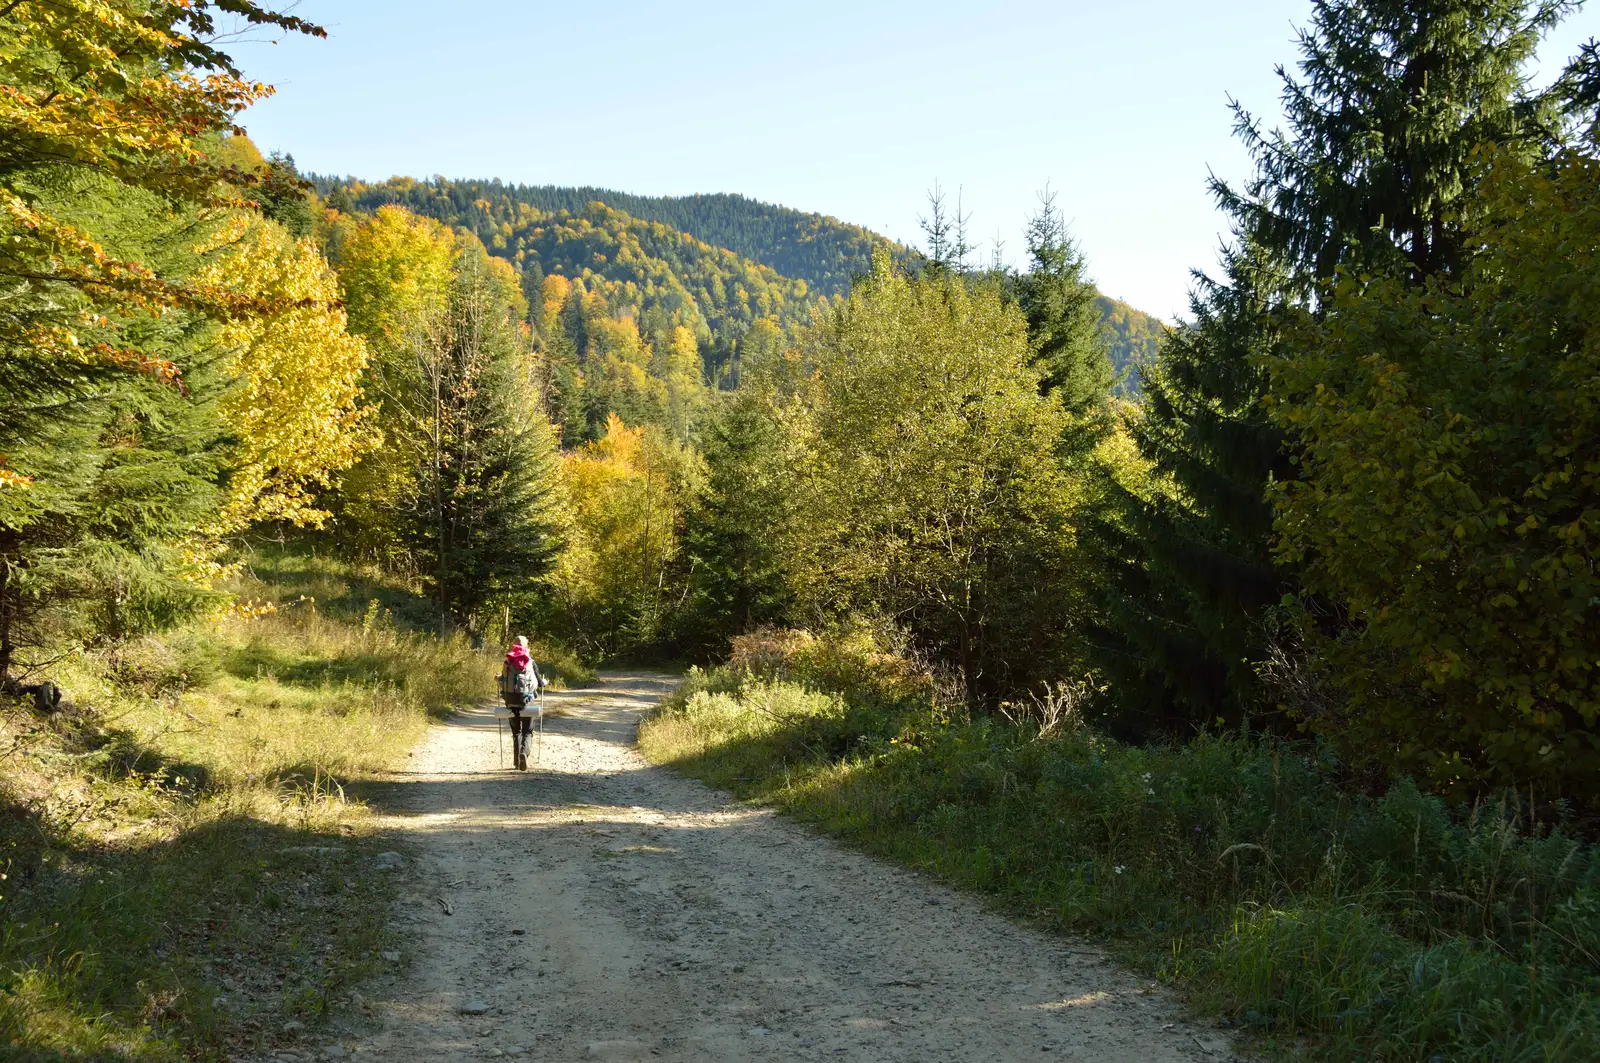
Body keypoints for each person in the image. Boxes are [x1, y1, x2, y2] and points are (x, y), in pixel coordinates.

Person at [499, 636, 544, 770]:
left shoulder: (507, 661)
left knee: (516, 732)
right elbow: (540, 683)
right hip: (527, 702)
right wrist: (544, 683)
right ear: (526, 646)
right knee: (527, 732)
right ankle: (524, 754)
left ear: (514, 646)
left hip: (510, 702)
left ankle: (516, 762)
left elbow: (502, 679)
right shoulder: (530, 662)